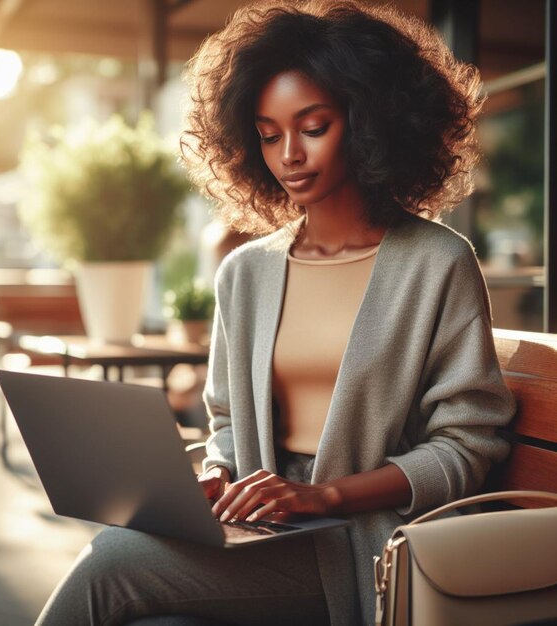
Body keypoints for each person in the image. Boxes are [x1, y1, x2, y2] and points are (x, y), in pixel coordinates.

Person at [35, 2, 516, 625]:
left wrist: (324, 494)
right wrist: (214, 477)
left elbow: (468, 445)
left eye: (313, 126)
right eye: (268, 134)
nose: (289, 153)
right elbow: (229, 421)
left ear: (369, 122)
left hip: (370, 542)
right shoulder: (246, 272)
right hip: (265, 527)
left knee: (111, 566)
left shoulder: (438, 264)